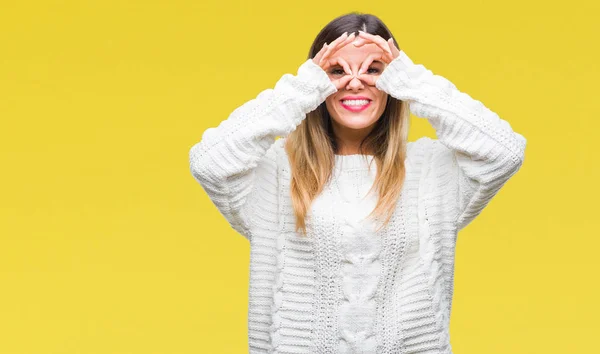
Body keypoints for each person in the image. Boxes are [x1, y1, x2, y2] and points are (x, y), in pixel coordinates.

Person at [189, 12, 526, 354]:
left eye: (373, 69)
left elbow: (505, 151)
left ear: (393, 79)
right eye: (337, 71)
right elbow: (208, 162)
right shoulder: (277, 173)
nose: (354, 82)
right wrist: (301, 89)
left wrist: (413, 81)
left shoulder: (431, 171)